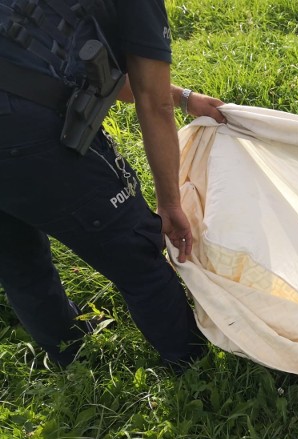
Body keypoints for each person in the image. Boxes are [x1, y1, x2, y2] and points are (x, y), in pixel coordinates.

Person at [0, 0, 225, 369]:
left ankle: (71, 356)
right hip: (25, 131)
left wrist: (184, 97)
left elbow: (97, 68)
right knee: (136, 251)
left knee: (17, 259)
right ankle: (194, 367)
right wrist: (169, 204)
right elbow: (152, 101)